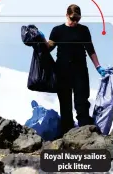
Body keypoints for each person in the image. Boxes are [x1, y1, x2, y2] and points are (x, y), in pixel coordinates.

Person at [39, 4, 107, 135]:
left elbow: (91, 50)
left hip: (80, 71)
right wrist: (41, 39)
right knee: (65, 104)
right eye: (72, 19)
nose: (75, 22)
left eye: (77, 19)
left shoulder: (83, 30)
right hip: (62, 71)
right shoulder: (57, 30)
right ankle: (67, 134)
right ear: (66, 15)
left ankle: (85, 134)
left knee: (81, 102)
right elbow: (48, 48)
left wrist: (98, 66)